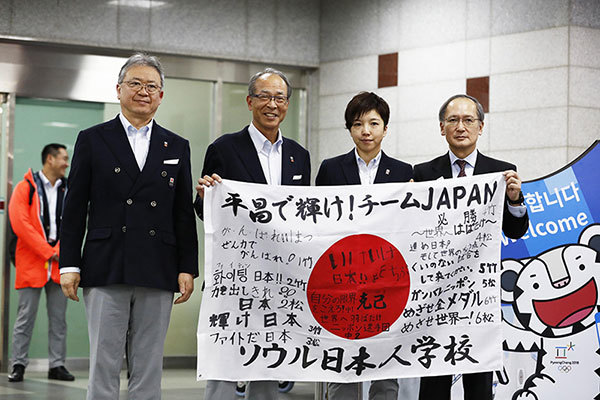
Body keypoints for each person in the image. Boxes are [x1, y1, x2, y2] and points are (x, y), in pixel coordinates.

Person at [59, 53, 198, 400]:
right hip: (106, 263)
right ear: (119, 89)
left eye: (151, 86)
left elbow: (182, 212)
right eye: (135, 83)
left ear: (161, 96)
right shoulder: (93, 139)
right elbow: (74, 208)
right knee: (104, 361)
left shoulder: (176, 145)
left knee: (148, 363)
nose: (143, 91)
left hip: (158, 265)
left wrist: (187, 267)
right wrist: (69, 264)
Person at [195, 68, 310, 400]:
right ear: (249, 102)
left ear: (287, 104)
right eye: (264, 97)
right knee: (224, 363)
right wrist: (205, 197)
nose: (272, 104)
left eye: (279, 98)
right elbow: (204, 210)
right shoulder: (224, 148)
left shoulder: (299, 156)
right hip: (235, 276)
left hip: (279, 279)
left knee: (268, 362)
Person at [413, 94, 529, 400]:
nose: (460, 127)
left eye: (468, 120)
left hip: (479, 296)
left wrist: (515, 200)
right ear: (442, 128)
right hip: (436, 295)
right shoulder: (422, 173)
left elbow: (515, 231)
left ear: (481, 127)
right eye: (453, 120)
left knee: (478, 384)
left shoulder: (501, 172)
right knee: (434, 380)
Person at [315, 91, 412, 400]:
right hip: (342, 280)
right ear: (349, 129)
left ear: (385, 128)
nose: (366, 131)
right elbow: (318, 223)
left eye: (373, 123)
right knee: (343, 362)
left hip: (386, 282)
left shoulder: (404, 173)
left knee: (386, 364)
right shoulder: (331, 169)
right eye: (358, 124)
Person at [7, 143, 74, 383]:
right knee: (25, 317)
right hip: (32, 262)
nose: (67, 163)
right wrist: (48, 251)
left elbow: (77, 222)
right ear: (49, 159)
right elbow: (20, 224)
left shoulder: (70, 188)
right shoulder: (26, 187)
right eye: (63, 158)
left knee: (59, 319)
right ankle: (18, 364)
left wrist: (59, 251)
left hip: (59, 264)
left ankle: (57, 365)